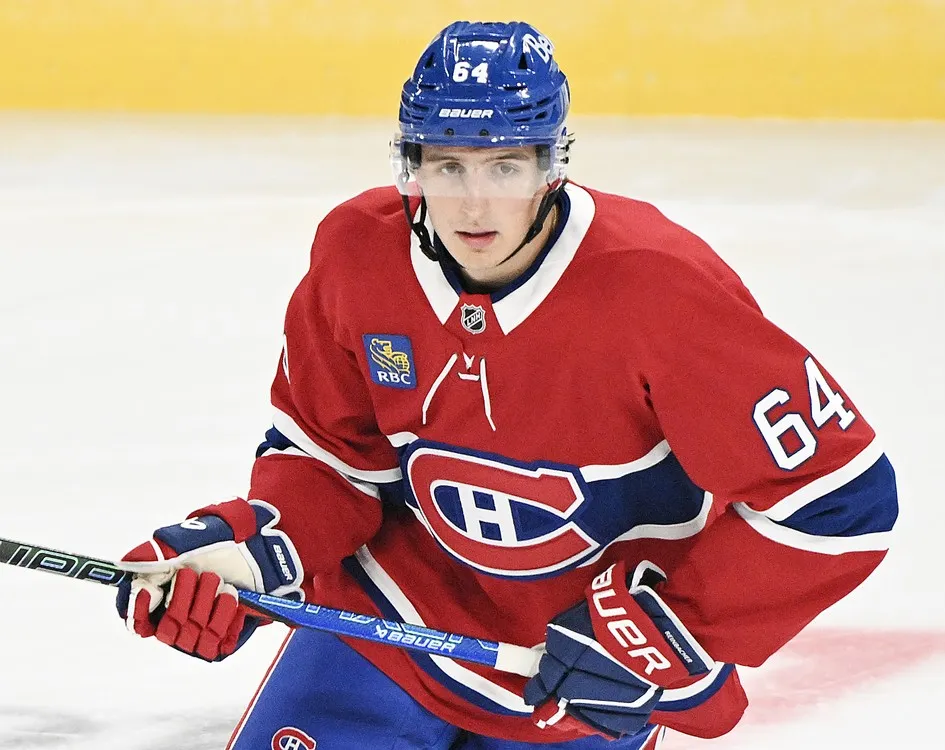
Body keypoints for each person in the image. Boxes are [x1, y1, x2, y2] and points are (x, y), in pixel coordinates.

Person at [115, 20, 898, 750]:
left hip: (574, 670)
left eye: (504, 165)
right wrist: (255, 551)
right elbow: (333, 460)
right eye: (447, 164)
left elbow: (839, 494)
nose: (473, 201)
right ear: (410, 165)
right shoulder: (357, 257)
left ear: (551, 166)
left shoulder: (658, 289)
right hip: (385, 626)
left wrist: (670, 629)